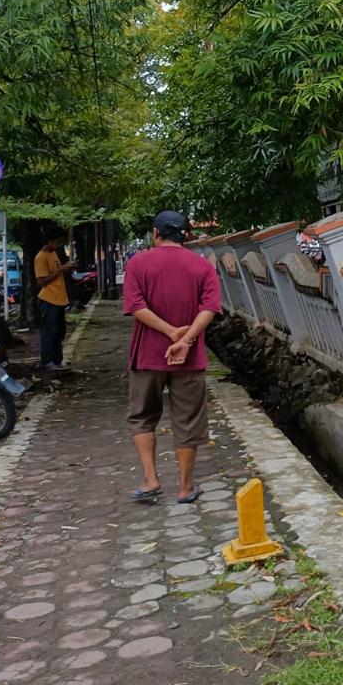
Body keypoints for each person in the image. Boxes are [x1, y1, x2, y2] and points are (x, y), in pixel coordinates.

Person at [122, 210, 222, 503]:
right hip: (189, 359)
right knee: (188, 420)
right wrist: (186, 338)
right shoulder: (202, 266)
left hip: (146, 356)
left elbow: (135, 306)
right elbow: (210, 308)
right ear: (186, 235)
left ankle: (150, 480)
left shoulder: (138, 263)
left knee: (142, 417)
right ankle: (185, 487)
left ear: (155, 233)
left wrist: (169, 332)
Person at [35, 226, 75, 371]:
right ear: (50, 240)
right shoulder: (41, 257)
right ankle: (47, 361)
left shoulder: (54, 254)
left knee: (59, 332)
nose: (60, 245)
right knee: (49, 332)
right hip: (49, 299)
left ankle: (57, 361)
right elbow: (41, 281)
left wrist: (65, 270)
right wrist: (61, 270)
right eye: (58, 242)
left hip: (59, 298)